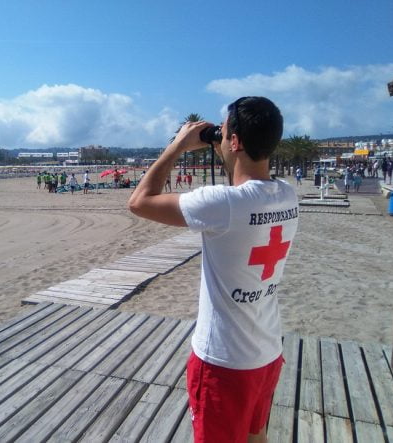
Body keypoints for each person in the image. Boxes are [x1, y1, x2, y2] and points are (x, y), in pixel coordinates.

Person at [128, 96, 298, 443]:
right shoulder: (287, 195)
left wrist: (177, 145)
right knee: (256, 436)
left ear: (234, 142)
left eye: (222, 133)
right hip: (266, 352)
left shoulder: (224, 204)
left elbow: (139, 202)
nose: (218, 138)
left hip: (224, 362)